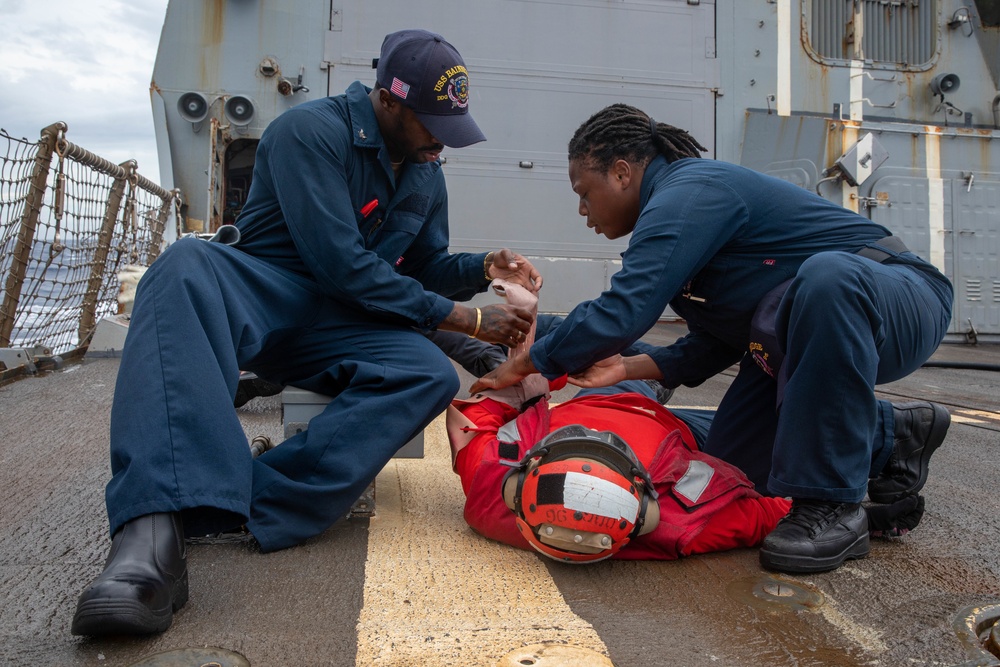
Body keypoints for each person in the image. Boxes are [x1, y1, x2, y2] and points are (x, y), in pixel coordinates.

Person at [72, 29, 542, 637]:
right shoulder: (310, 133)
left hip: (340, 321)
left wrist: (481, 268)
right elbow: (341, 264)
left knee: (424, 373)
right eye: (431, 124)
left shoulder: (426, 170)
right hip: (265, 295)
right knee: (183, 266)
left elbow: (423, 269)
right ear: (389, 101)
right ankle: (149, 536)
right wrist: (470, 321)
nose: (440, 142)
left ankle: (251, 500)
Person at [471, 103, 953, 574]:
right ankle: (891, 437)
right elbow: (719, 338)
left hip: (896, 297)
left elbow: (625, 310)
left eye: (584, 192)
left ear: (621, 172)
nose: (582, 210)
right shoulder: (679, 219)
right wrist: (627, 368)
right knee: (739, 474)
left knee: (828, 278)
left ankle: (832, 505)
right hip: (797, 337)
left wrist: (526, 361)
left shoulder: (691, 191)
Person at [449, 378, 926, 562]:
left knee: (624, 358)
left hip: (603, 391)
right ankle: (896, 428)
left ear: (522, 484)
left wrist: (546, 370)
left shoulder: (492, 484)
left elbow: (469, 413)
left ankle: (652, 369)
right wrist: (861, 513)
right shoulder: (680, 522)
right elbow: (776, 513)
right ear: (643, 507)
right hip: (679, 432)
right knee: (788, 425)